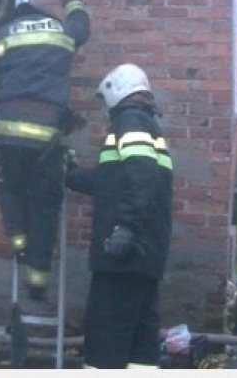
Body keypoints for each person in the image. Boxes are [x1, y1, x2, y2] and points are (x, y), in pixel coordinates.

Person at [0, 0, 90, 301]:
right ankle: (37, 282)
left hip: (9, 134)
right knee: (45, 204)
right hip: (47, 137)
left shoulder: (3, 33)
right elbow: (81, 28)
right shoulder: (60, 32)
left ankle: (19, 243)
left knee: (9, 188)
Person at [66, 63, 173, 369]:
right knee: (140, 342)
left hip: (124, 255)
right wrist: (71, 175)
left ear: (116, 91)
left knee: (106, 338)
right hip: (144, 255)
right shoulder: (146, 125)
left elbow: (142, 176)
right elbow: (112, 183)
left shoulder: (131, 122)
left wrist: (125, 227)